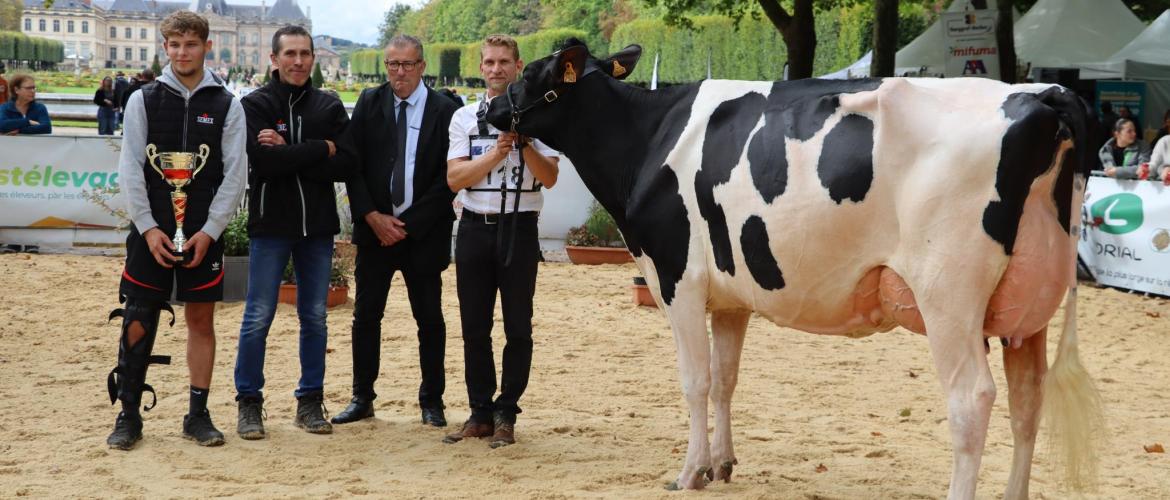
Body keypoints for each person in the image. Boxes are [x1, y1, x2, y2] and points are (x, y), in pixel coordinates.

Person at [104, 10, 247, 450]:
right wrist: (147, 228)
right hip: (152, 230)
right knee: (138, 317)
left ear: (206, 46)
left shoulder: (228, 104)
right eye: (174, 44)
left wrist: (211, 230)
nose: (182, 52)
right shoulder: (143, 99)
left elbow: (234, 174)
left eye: (191, 44)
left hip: (203, 230)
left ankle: (197, 414)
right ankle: (129, 413)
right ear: (165, 47)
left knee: (201, 319)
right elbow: (130, 170)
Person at [233, 25, 357, 440]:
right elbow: (263, 164)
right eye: (290, 54)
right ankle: (249, 402)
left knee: (315, 317)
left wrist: (289, 149)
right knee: (257, 316)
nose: (299, 61)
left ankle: (310, 401)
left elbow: (347, 165)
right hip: (271, 224)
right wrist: (321, 147)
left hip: (317, 227)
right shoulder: (254, 104)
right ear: (274, 59)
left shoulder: (329, 104)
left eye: (305, 53)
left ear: (313, 58)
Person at [331, 35, 460, 428]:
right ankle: (362, 397)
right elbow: (353, 164)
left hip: (423, 233)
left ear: (422, 66)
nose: (399, 73)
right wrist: (371, 215)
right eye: (392, 65)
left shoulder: (445, 108)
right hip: (375, 232)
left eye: (407, 65)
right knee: (366, 317)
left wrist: (407, 225)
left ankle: (431, 401)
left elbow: (448, 177)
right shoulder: (371, 102)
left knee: (430, 319)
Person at [442, 34, 560, 448]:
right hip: (475, 225)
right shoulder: (464, 117)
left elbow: (550, 177)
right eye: (489, 62)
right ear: (481, 67)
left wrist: (524, 145)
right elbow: (455, 179)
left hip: (520, 226)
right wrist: (494, 155)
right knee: (474, 326)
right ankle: (479, 413)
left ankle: (507, 411)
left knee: (518, 327)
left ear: (517, 65)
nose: (496, 69)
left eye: (504, 62)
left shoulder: (539, 116)